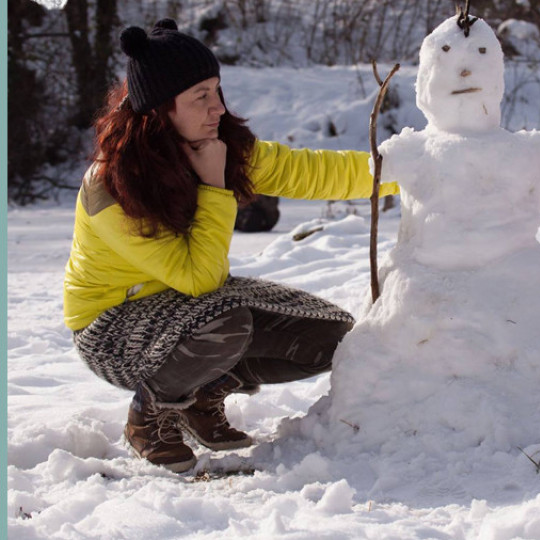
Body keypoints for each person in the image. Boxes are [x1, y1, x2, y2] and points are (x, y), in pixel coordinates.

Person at [64, 19, 398, 473]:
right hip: (111, 328)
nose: (217, 107)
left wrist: (406, 169)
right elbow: (200, 278)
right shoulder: (114, 185)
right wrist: (214, 186)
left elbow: (310, 171)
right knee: (225, 323)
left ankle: (200, 396)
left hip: (189, 308)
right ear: (161, 109)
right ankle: (150, 416)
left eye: (217, 90)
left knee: (331, 335)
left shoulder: (217, 144)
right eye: (200, 96)